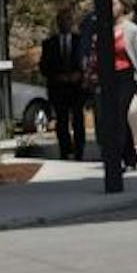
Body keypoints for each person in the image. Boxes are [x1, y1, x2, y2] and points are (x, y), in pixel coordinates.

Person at [38, 9, 89, 161]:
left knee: (78, 119)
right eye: (61, 20)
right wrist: (57, 76)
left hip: (77, 88)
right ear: (58, 23)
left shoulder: (79, 41)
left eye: (68, 20)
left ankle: (79, 150)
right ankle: (65, 150)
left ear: (71, 23)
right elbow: (44, 66)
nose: (64, 23)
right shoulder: (49, 44)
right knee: (61, 120)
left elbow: (86, 61)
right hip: (58, 88)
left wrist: (79, 75)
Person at [109, 0, 137, 172]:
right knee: (115, 117)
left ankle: (119, 158)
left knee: (121, 115)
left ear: (122, 6)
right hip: (110, 77)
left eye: (114, 4)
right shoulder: (105, 28)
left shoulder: (131, 29)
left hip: (127, 76)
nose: (111, 8)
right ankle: (130, 156)